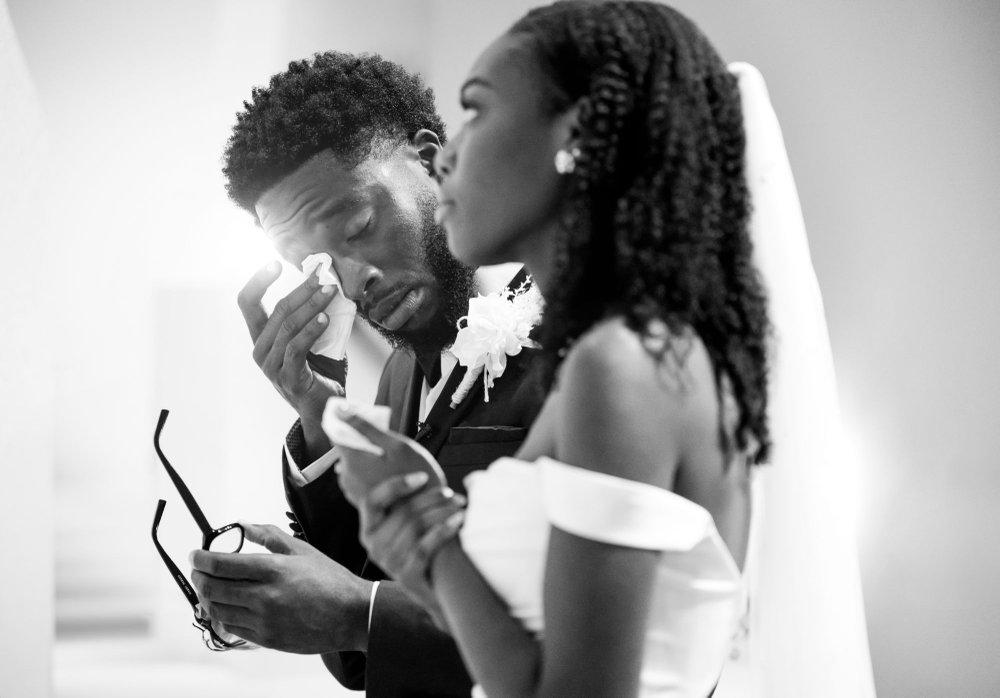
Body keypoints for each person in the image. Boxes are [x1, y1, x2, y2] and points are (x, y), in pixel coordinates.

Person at [336, 2, 874, 697]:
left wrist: (432, 541)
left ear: (578, 136)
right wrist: (422, 539)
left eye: (476, 109)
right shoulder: (632, 355)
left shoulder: (621, 368)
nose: (447, 154)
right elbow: (527, 657)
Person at [188, 52, 547, 697]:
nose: (354, 283)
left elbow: (585, 642)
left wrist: (360, 612)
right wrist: (319, 418)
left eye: (359, 226)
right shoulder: (400, 377)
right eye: (316, 266)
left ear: (430, 160)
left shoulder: (574, 346)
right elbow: (359, 662)